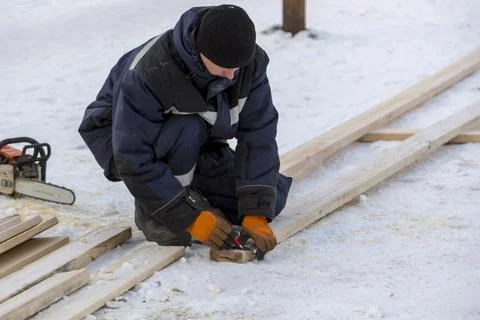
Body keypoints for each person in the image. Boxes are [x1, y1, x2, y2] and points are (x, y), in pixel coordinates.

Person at [78, 4, 292, 258]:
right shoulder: (149, 73)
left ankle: (194, 195)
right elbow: (133, 156)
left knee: (269, 199)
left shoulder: (248, 66)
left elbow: (259, 134)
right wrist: (188, 216)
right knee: (186, 126)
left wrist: (255, 211)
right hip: (124, 141)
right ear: (201, 53)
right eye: (224, 66)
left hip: (199, 141)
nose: (231, 74)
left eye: (237, 67)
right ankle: (158, 215)